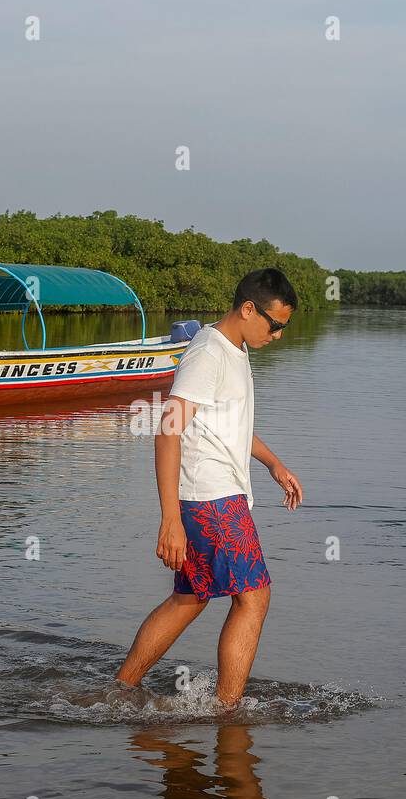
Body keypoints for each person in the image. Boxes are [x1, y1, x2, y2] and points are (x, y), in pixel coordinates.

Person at [115, 268, 304, 707]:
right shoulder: (210, 353)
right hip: (211, 498)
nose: (277, 336)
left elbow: (227, 426)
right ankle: (227, 709)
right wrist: (170, 520)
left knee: (190, 597)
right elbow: (168, 427)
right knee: (253, 598)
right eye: (275, 325)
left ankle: (121, 689)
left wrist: (274, 464)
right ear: (249, 309)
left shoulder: (233, 351)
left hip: (212, 496)